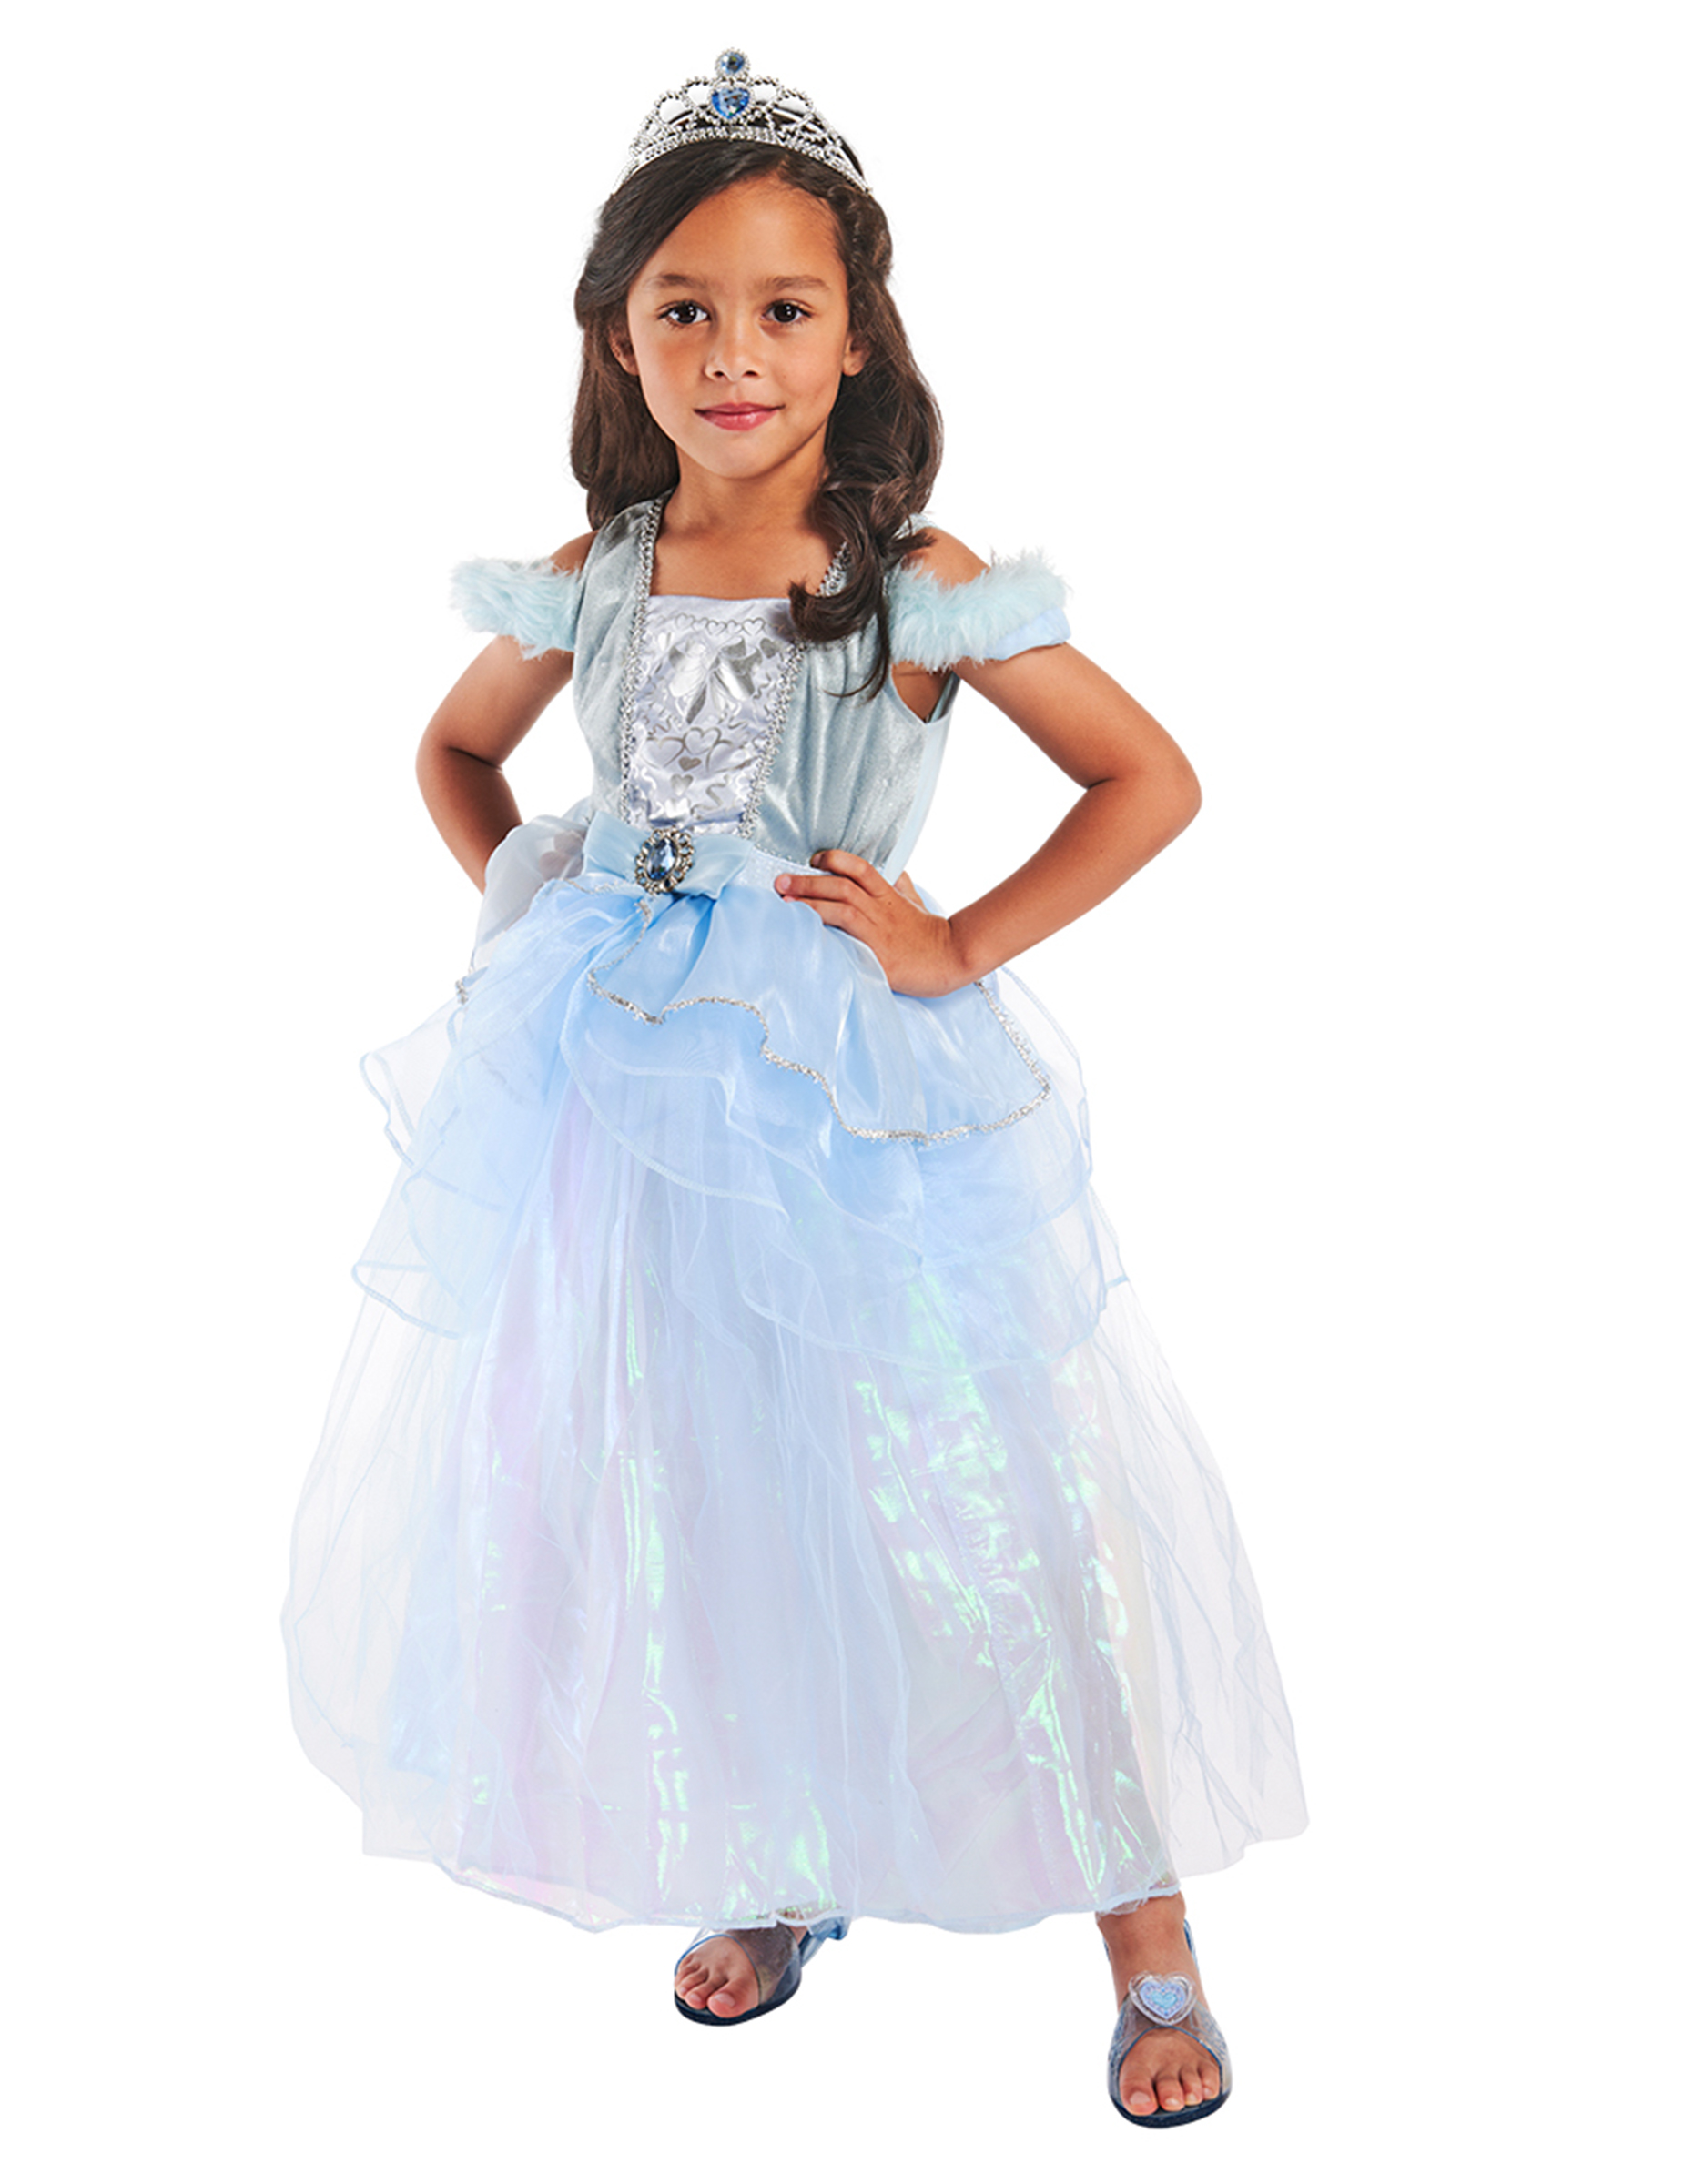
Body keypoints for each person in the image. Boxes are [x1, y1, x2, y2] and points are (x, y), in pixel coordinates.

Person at [281, 50, 1306, 2128]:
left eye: (780, 307)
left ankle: (1146, 1934)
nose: (731, 352)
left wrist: (953, 939)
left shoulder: (908, 577)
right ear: (617, 337)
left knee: (980, 1504)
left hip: (850, 1114)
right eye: (684, 308)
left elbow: (1148, 779)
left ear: (855, 336)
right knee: (702, 1482)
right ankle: (779, 1861)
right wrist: (545, 903)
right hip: (626, 1115)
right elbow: (455, 752)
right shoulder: (599, 568)